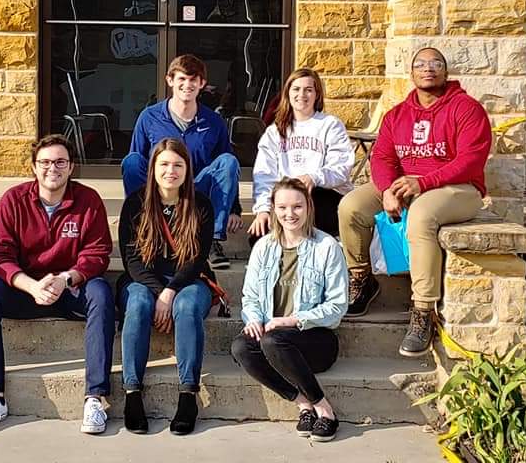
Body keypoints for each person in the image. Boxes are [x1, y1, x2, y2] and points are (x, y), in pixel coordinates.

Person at [338, 47, 490, 357]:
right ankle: (362, 279)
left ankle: (423, 310)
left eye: (436, 63)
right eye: (420, 64)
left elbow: (470, 161)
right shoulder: (397, 115)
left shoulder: (466, 109)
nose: (428, 68)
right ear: (412, 73)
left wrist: (422, 182)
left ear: (445, 72)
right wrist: (387, 190)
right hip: (406, 185)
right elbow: (382, 157)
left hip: (458, 188)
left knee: (421, 215)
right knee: (351, 206)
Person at [0, 135, 115, 435]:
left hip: (71, 288)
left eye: (60, 162)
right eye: (45, 162)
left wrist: (65, 279)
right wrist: (31, 286)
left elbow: (97, 253)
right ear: (34, 167)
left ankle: (95, 398)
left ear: (71, 167)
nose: (52, 168)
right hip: (26, 290)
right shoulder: (14, 199)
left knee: (101, 292)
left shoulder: (88, 200)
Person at [231, 178, 348, 443]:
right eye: (282, 207)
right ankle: (303, 404)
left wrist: (293, 320)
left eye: (297, 206)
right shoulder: (263, 247)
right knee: (241, 347)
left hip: (315, 339)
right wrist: (253, 319)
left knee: (273, 340)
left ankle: (324, 410)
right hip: (273, 341)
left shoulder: (326, 246)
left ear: (308, 207)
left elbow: (337, 305)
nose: (290, 214)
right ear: (273, 208)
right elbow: (250, 297)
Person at [118, 138, 216, 436]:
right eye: (164, 164)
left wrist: (170, 290)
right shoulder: (135, 204)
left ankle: (188, 394)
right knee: (138, 303)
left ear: (187, 169)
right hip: (142, 280)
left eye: (177, 165)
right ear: (152, 168)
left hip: (189, 280)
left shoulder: (201, 205)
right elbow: (131, 260)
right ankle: (132, 393)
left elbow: (197, 259)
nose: (170, 171)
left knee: (186, 306)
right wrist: (158, 291)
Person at [122, 54, 242, 269]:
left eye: (193, 80)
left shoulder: (214, 121)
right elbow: (136, 160)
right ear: (170, 80)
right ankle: (142, 226)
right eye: (182, 79)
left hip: (196, 189)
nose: (187, 85)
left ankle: (210, 239)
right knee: (131, 162)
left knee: (229, 160)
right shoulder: (149, 117)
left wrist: (234, 209)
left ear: (202, 83)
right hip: (160, 190)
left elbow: (227, 168)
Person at [249, 68, 354, 241]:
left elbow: (341, 168)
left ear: (317, 95)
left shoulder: (330, 125)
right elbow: (264, 174)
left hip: (322, 196)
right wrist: (263, 209)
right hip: (287, 200)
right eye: (296, 89)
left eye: (308, 90)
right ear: (288, 93)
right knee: (258, 236)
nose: (302, 95)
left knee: (310, 201)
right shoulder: (274, 132)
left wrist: (314, 177)